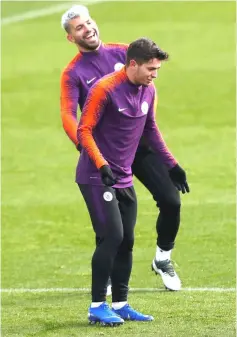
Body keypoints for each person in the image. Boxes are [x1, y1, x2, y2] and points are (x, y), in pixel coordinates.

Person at [60, 5, 190, 294]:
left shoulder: (124, 53)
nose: (88, 29)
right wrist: (85, 148)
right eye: (79, 28)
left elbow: (148, 89)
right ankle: (106, 278)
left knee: (171, 200)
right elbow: (69, 114)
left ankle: (163, 258)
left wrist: (145, 125)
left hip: (139, 145)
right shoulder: (73, 73)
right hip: (106, 151)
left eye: (89, 22)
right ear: (71, 38)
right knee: (110, 224)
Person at [77, 37, 186, 326]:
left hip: (123, 176)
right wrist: (101, 165)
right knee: (112, 236)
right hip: (96, 176)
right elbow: (84, 130)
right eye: (151, 68)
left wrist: (172, 164)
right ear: (133, 64)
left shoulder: (148, 90)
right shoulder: (104, 89)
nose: (154, 74)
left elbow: (151, 130)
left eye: (158, 69)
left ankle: (122, 303)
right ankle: (97, 306)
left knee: (127, 241)